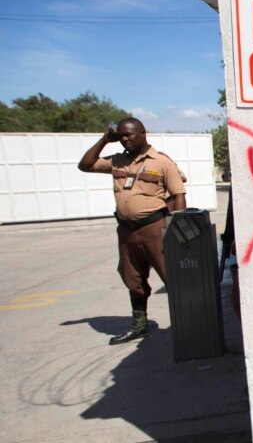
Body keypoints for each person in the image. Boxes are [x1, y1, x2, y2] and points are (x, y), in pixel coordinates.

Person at [79, 117, 187, 345]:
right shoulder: (117, 161)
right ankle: (140, 326)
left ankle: (188, 325)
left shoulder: (161, 161)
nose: (125, 139)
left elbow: (178, 195)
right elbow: (86, 165)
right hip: (127, 231)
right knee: (132, 278)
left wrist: (177, 230)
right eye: (121, 135)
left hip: (154, 228)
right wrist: (104, 141)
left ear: (143, 133)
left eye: (129, 134)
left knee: (172, 277)